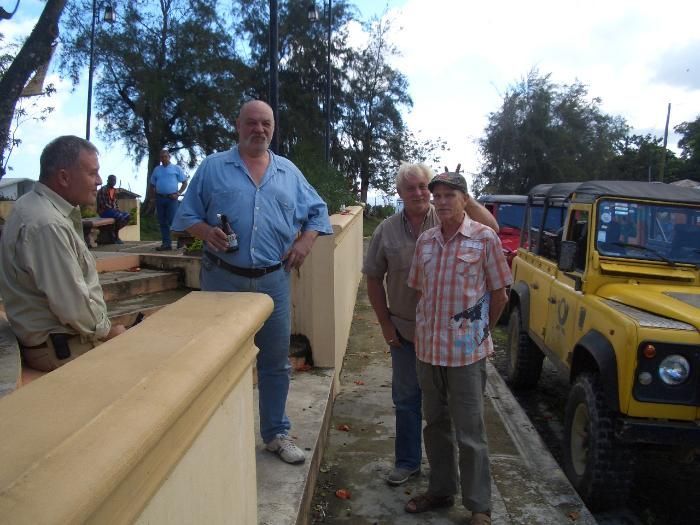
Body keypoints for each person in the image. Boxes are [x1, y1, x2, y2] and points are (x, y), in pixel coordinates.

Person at [172, 100, 333, 464]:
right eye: (251, 122)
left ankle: (276, 434)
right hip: (222, 279)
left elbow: (318, 212)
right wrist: (205, 232)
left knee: (275, 362)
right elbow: (186, 215)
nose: (259, 129)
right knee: (217, 362)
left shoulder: (288, 172)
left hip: (273, 281)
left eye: (266, 123)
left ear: (273, 128)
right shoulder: (213, 167)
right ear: (238, 125)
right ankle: (218, 436)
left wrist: (306, 242)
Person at [363, 163, 499, 486]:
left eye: (424, 186)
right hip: (405, 332)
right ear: (399, 193)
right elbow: (373, 278)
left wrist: (462, 192)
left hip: (452, 339)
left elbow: (491, 229)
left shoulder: (447, 216)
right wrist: (385, 324)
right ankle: (408, 463)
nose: (419, 193)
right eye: (410, 188)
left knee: (453, 412)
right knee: (407, 400)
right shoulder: (386, 230)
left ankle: (454, 481)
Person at [405, 172, 511, 525]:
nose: (442, 201)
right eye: (437, 196)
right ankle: (440, 490)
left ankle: (479, 506)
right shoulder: (426, 241)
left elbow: (499, 295)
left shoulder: (484, 238)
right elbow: (420, 291)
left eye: (450, 195)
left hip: (466, 354)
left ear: (465, 199)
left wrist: (479, 335)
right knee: (435, 425)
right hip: (428, 351)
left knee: (470, 432)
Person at [0, 136, 126, 372]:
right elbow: (73, 306)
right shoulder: (47, 225)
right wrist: (108, 331)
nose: (99, 181)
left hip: (58, 341)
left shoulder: (32, 205)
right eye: (92, 173)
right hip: (63, 349)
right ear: (64, 177)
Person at [150, 148, 188, 251]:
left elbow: (184, 182)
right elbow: (152, 184)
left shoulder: (176, 168)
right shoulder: (157, 169)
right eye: (161, 157)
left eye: (165, 157)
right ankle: (166, 244)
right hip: (160, 198)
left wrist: (178, 193)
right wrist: (153, 197)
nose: (163, 159)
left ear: (169, 157)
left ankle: (181, 241)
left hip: (172, 199)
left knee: (173, 220)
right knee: (162, 222)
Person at [96, 174, 131, 244]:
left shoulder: (114, 191)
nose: (113, 182)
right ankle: (116, 237)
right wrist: (115, 210)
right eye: (112, 180)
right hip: (104, 212)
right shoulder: (103, 190)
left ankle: (113, 232)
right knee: (119, 216)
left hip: (112, 211)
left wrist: (117, 209)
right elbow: (104, 204)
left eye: (115, 181)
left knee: (127, 216)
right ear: (108, 180)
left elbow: (115, 203)